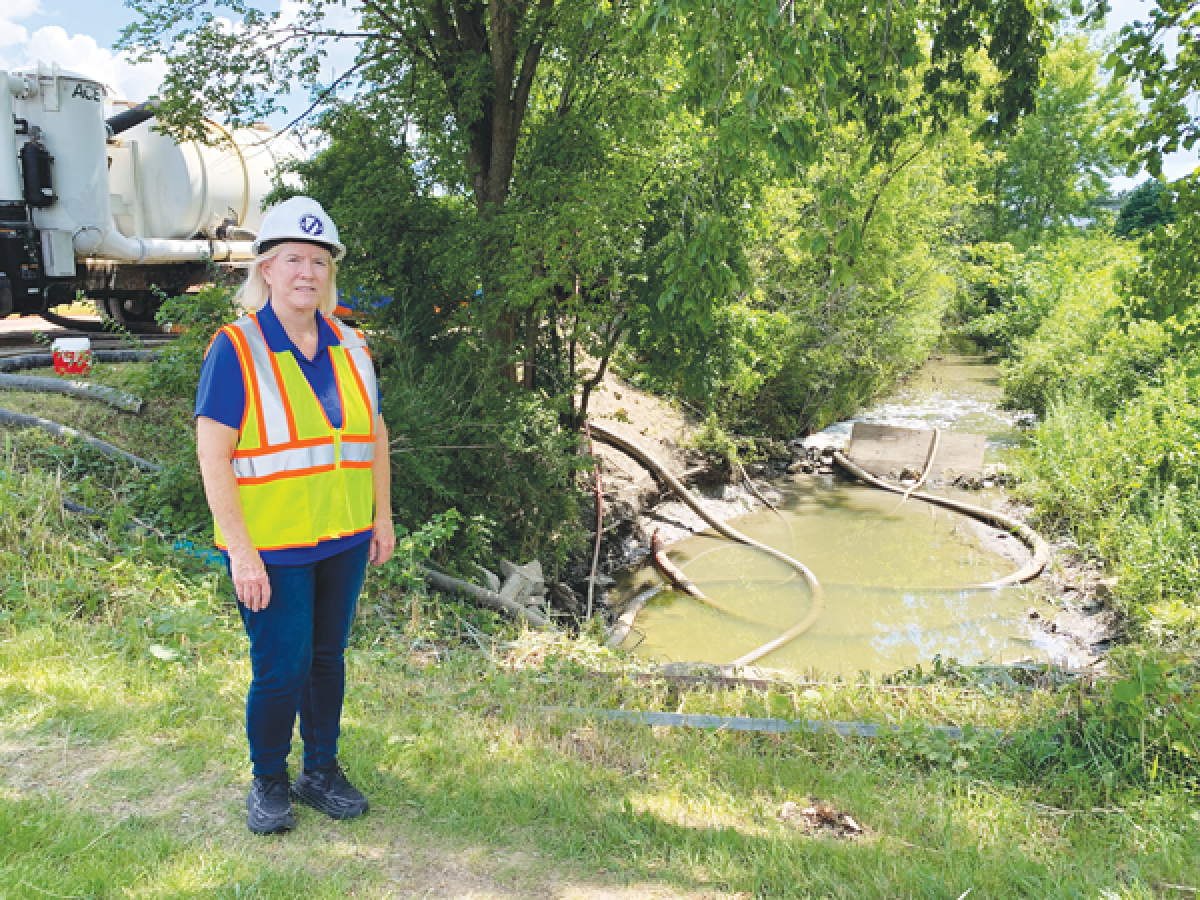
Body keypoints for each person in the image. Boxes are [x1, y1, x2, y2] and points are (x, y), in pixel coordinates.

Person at [195, 196, 396, 835]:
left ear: (328, 272)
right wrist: (241, 551)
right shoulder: (238, 347)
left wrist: (382, 515)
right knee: (281, 668)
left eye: (317, 260)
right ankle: (269, 779)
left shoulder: (352, 343)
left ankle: (320, 770)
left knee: (328, 658)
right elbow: (213, 454)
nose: (305, 271)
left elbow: (377, 434)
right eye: (291, 260)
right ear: (267, 269)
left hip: (343, 538)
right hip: (273, 548)